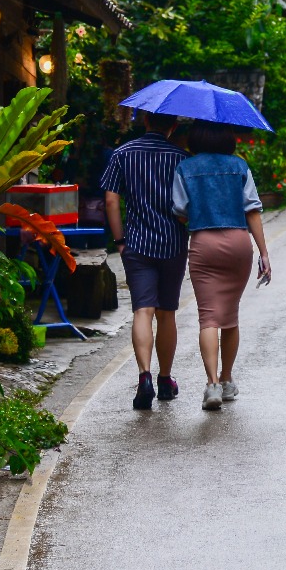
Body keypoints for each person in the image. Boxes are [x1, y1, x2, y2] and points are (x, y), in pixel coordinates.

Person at [171, 120, 272, 411]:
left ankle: (212, 384)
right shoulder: (239, 167)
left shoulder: (185, 168)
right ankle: (227, 380)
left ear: (196, 139)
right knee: (230, 316)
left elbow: (180, 211)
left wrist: (201, 211)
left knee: (209, 318)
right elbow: (252, 209)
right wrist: (264, 253)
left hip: (204, 244)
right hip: (239, 244)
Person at [101, 111, 189, 410]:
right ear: (174, 125)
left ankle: (144, 376)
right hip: (174, 243)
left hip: (137, 244)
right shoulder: (181, 157)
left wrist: (119, 240)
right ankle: (165, 379)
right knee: (167, 312)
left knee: (142, 310)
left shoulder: (122, 154)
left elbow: (111, 200)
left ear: (145, 121)